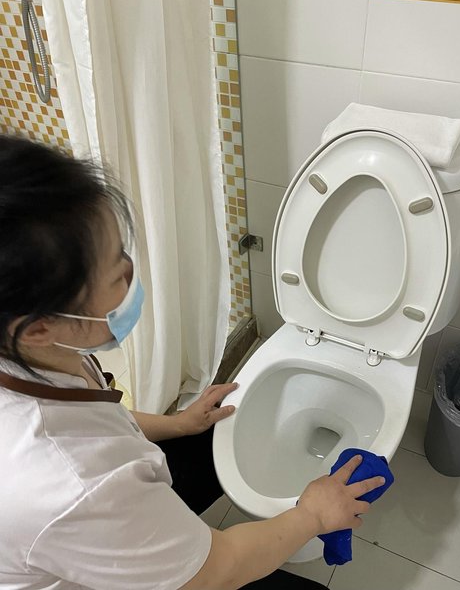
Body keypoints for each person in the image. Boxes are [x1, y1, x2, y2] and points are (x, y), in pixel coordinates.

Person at [0, 134, 385, 590]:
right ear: (39, 327)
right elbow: (216, 572)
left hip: (78, 529)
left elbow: (93, 418)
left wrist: (179, 425)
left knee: (219, 430)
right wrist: (312, 516)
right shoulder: (73, 482)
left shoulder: (33, 353)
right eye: (119, 273)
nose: (132, 275)